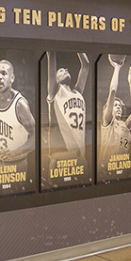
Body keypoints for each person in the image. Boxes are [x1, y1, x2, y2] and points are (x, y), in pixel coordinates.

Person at [0, 59, 35, 192]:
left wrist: (16, 152)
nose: (0, 77)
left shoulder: (20, 104)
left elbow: (35, 137)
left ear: (12, 78)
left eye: (4, 73)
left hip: (16, 166)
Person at [45, 52, 89, 182]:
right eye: (61, 70)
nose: (66, 70)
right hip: (61, 157)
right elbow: (52, 55)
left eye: (66, 69)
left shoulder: (78, 92)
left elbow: (86, 65)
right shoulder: (55, 90)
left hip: (80, 157)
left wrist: (77, 41)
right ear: (55, 77)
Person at [99, 55, 131, 176]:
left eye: (119, 105)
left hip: (122, 169)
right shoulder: (107, 121)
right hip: (105, 170)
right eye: (115, 105)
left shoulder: (124, 125)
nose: (118, 107)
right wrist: (117, 67)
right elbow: (113, 91)